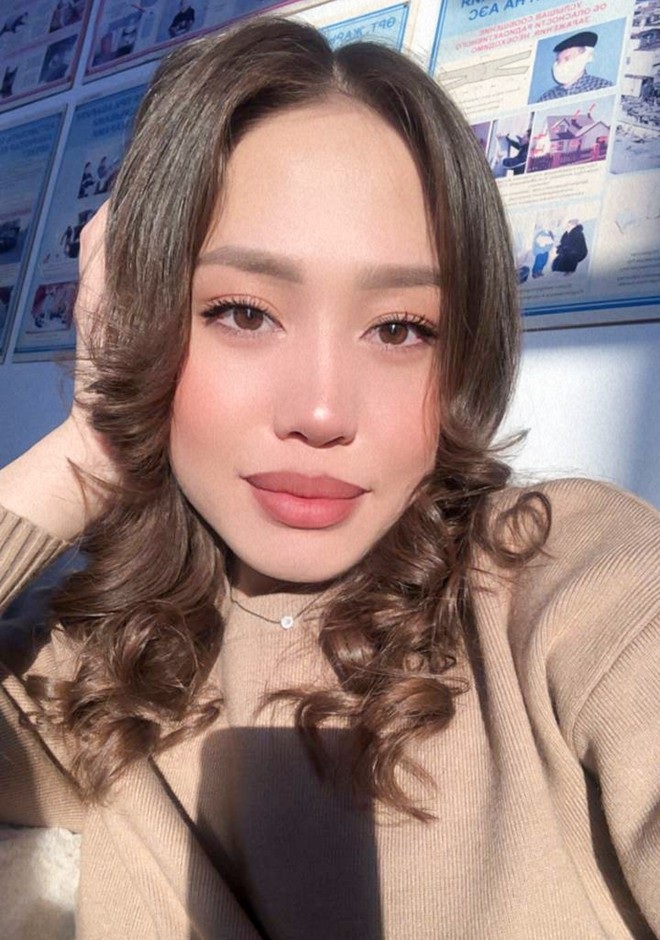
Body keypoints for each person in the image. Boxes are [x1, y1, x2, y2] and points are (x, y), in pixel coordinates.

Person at [0, 18, 658, 940]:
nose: (320, 411)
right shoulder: (82, 662)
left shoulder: (572, 586)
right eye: (242, 313)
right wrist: (91, 447)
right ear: (142, 320)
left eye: (400, 329)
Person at [538, 31, 613, 102]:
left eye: (567, 58)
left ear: (583, 57)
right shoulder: (546, 98)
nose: (561, 64)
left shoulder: (603, 87)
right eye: (558, 60)